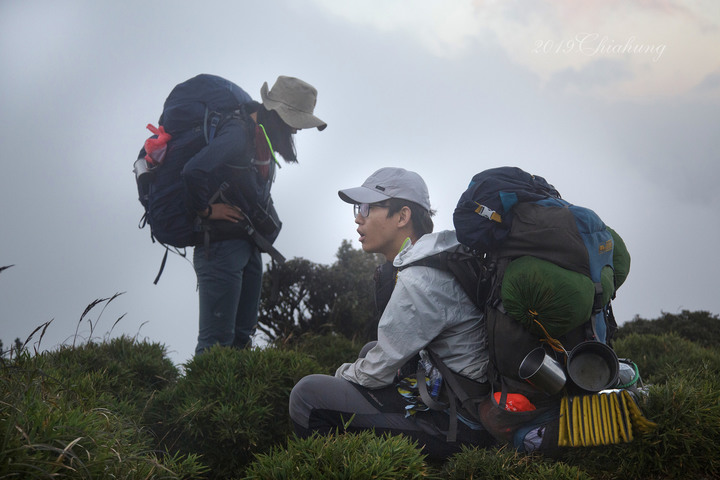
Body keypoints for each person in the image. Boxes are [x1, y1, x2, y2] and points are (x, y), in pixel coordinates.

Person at [289, 167, 495, 459]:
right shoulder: (435, 256)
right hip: (460, 398)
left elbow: (375, 373)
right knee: (368, 349)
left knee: (308, 395)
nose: (359, 217)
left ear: (402, 216)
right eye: (358, 209)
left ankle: (341, 468)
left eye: (368, 207)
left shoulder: (420, 279)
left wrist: (339, 375)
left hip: (460, 426)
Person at [186, 75, 326, 355]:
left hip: (247, 245)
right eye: (294, 123)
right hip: (221, 247)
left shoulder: (260, 136)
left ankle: (234, 399)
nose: (296, 132)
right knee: (216, 345)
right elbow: (193, 171)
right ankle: (203, 399)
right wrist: (207, 210)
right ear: (275, 113)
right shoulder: (238, 135)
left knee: (242, 339)